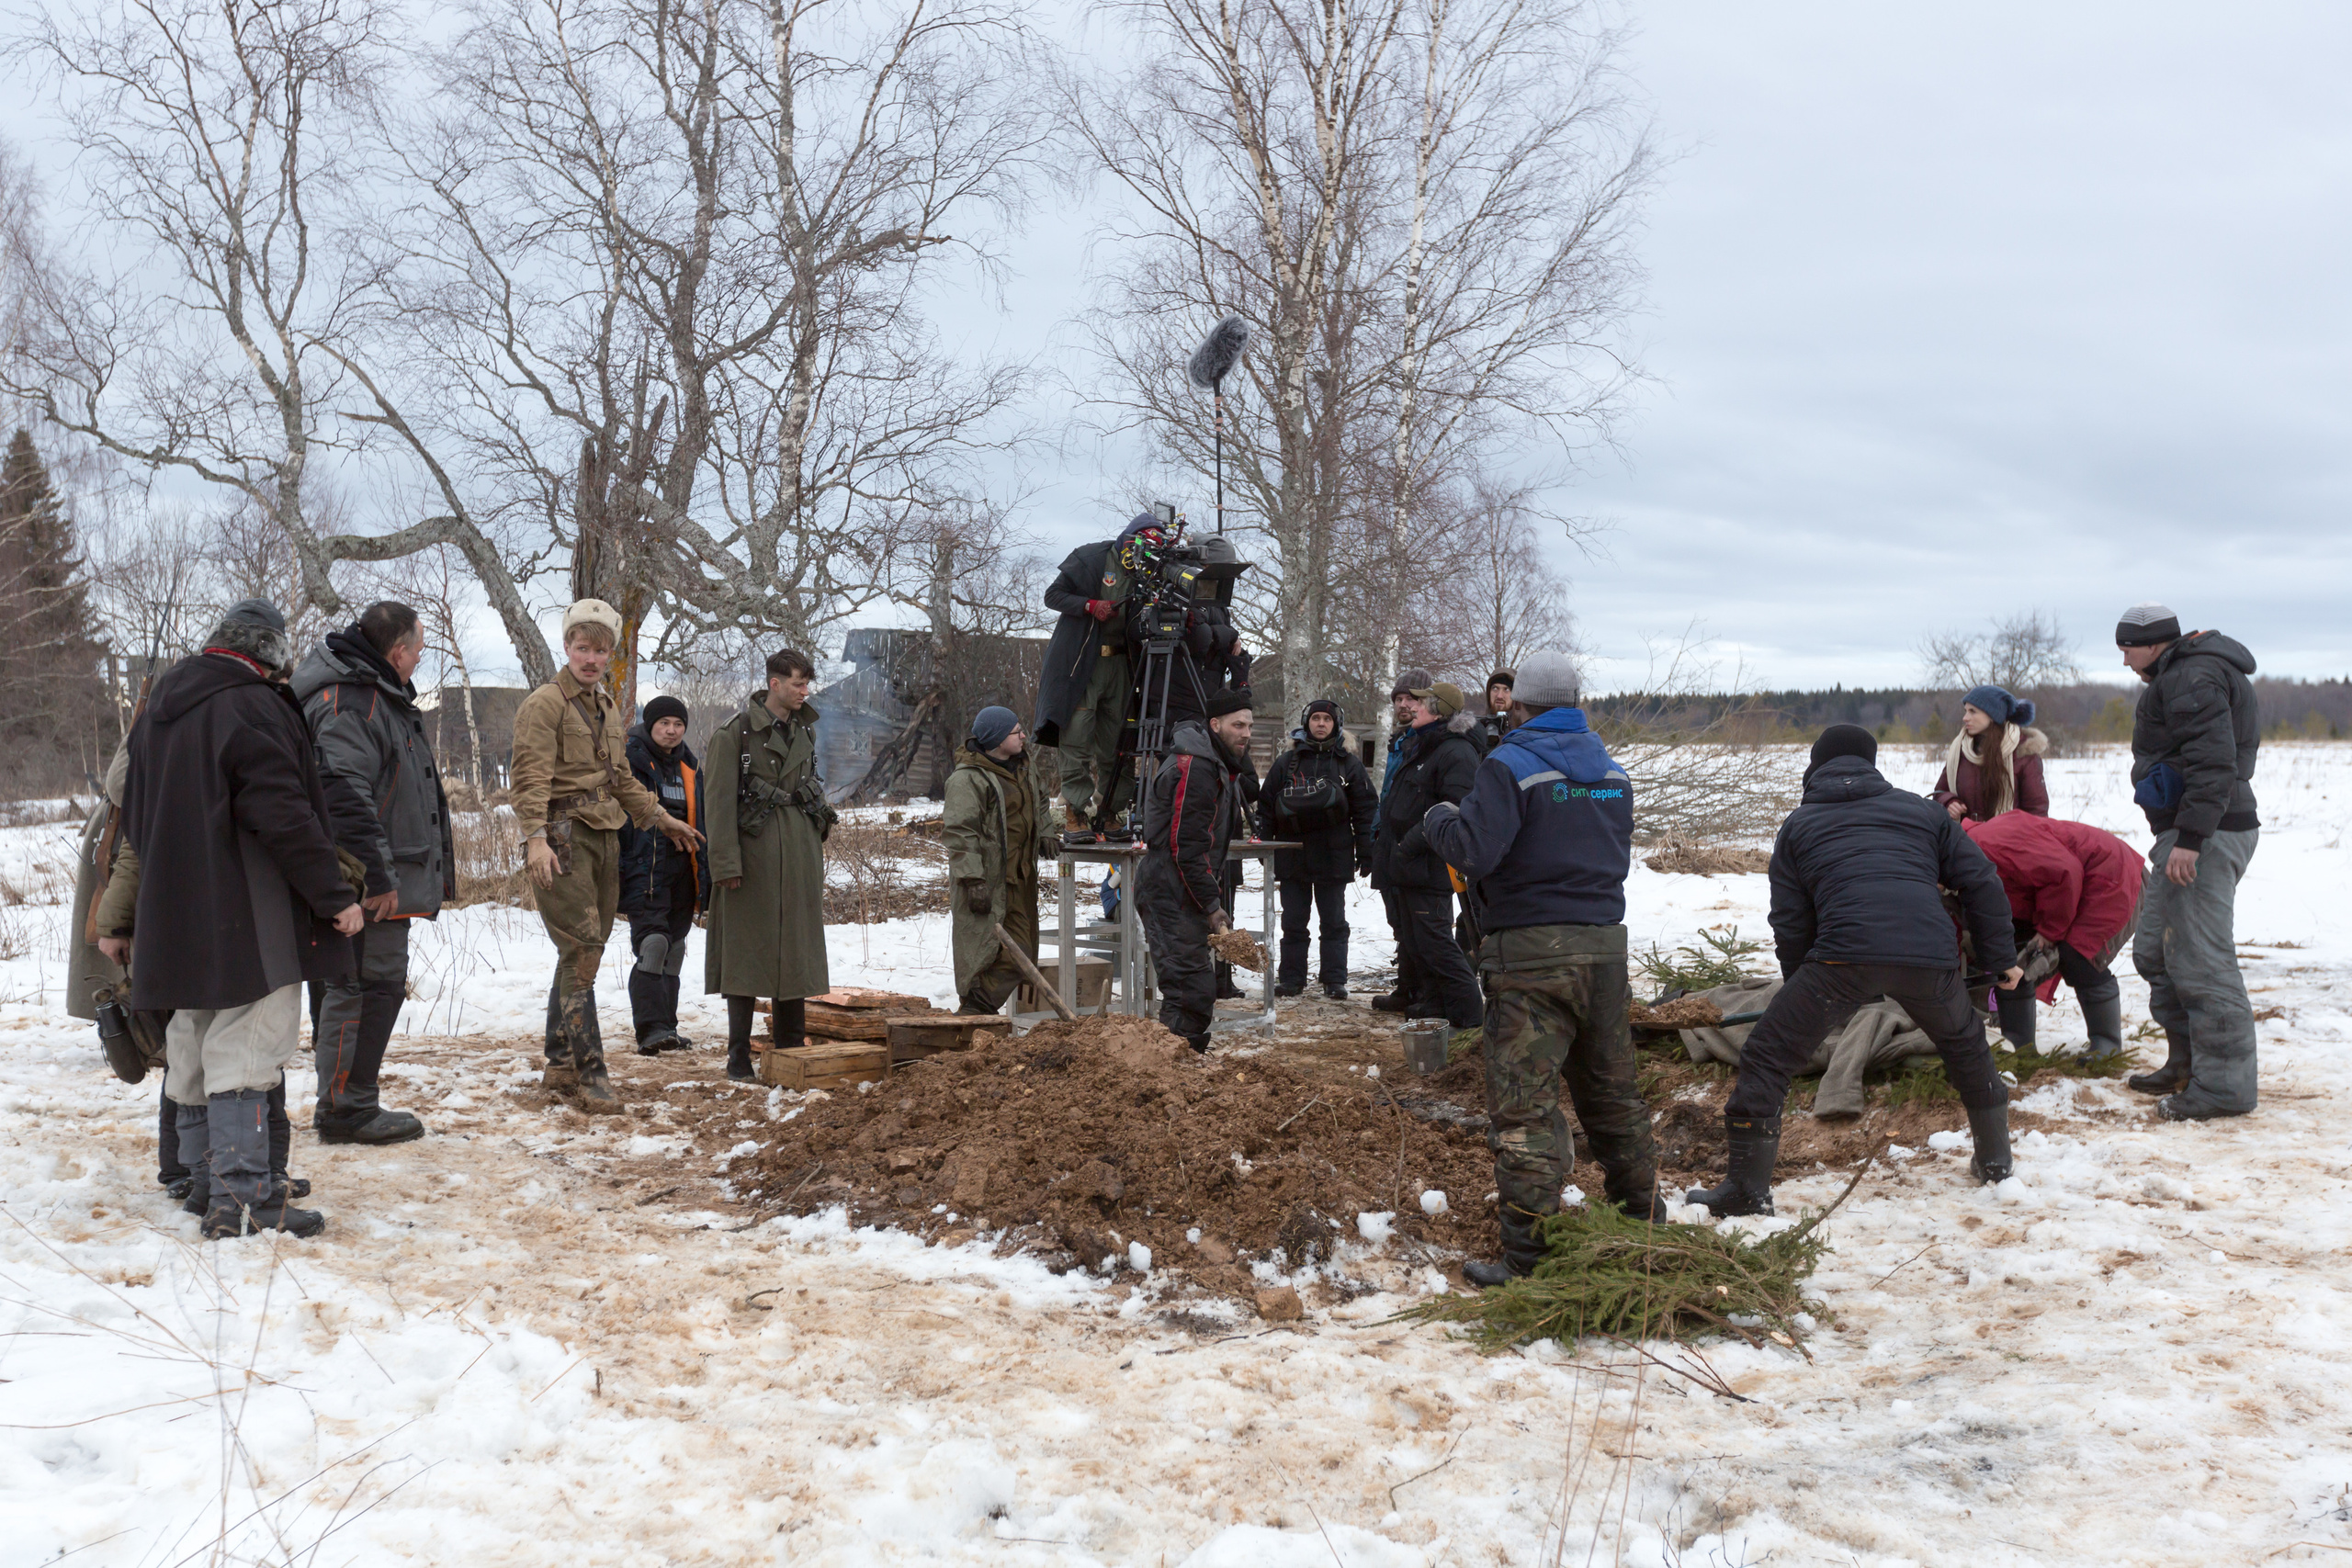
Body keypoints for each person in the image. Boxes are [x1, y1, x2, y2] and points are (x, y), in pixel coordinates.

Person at [1685, 725, 2021, 1219]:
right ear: (1872, 762)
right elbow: (1981, 881)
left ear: (1815, 766)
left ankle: (1745, 1189)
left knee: (1768, 1055)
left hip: (1842, 960)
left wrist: (1803, 984)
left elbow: (1791, 919)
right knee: (1966, 1045)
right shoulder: (1923, 811)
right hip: (1929, 959)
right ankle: (1995, 1163)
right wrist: (2000, 959)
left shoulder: (1799, 825)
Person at [114, 599, 363, 1238]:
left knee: (194, 1040)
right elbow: (282, 811)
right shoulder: (250, 704)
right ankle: (244, 1197)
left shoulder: (158, 713)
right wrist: (333, 895)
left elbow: (132, 815)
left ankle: (203, 1182)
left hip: (176, 907)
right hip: (248, 907)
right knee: (249, 1043)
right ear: (271, 652)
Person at [1420, 651, 1665, 1282]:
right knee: (1614, 1096)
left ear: (1519, 704)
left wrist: (1440, 820)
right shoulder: (1613, 771)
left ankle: (1528, 1258)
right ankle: (1645, 1231)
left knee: (1526, 1108)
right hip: (1605, 951)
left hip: (1530, 956)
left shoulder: (1510, 764)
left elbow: (1474, 850)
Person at [512, 601, 705, 1111]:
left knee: (583, 947)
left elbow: (620, 779)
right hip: (561, 836)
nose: (591, 659)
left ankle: (557, 1063)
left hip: (605, 837)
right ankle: (590, 1073)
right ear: (567, 648)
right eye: (582, 648)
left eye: (600, 651)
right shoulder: (545, 704)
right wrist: (534, 837)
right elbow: (528, 779)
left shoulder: (605, 706)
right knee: (584, 952)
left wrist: (663, 819)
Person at [292, 601, 452, 1145]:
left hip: (378, 872)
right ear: (397, 651)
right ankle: (344, 1109)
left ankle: (350, 1101)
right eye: (419, 650)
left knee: (371, 985)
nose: (420, 660)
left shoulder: (374, 695)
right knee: (361, 986)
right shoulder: (351, 702)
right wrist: (378, 875)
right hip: (365, 879)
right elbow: (342, 792)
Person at [2114, 603, 2261, 1120]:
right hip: (2187, 831)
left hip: (2207, 834)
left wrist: (2192, 837)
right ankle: (2188, 1064)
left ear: (2154, 643)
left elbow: (2213, 761)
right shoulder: (2179, 676)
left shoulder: (2191, 677)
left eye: (2128, 647)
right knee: (2155, 951)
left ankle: (2223, 1088)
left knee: (2201, 961)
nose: (2125, 660)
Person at [707, 648, 833, 1082]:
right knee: (745, 956)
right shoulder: (735, 734)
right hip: (753, 859)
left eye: (806, 683)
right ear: (774, 683)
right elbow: (718, 806)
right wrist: (725, 865)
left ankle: (792, 1049)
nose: (805, 691)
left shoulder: (805, 731)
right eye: (797, 682)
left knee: (795, 954)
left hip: (797, 855)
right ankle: (738, 1057)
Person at [1962, 812, 2143, 1063]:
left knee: (2078, 955)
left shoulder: (1989, 844)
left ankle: (2107, 1044)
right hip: (2067, 886)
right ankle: (2020, 1047)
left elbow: (2064, 871)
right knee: (2013, 961)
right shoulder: (1968, 857)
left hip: (2108, 874)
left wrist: (2048, 932)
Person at [1136, 694, 1254, 1052]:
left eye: (1250, 725)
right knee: (1190, 990)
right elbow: (1186, 846)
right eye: (1238, 724)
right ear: (1215, 725)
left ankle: (1177, 1066)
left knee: (1194, 987)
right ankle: (1171, 1070)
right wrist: (1210, 904)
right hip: (1169, 888)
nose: (1246, 733)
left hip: (1182, 886)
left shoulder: (1215, 762)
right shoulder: (1198, 767)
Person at [1372, 681, 1484, 1033]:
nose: (1413, 708)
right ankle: (1435, 1002)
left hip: (1429, 863)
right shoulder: (1425, 745)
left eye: (1420, 703)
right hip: (1407, 863)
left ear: (1438, 710)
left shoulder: (1456, 753)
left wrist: (1412, 843)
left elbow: (1455, 810)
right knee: (1418, 941)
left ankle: (1470, 1017)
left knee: (1437, 942)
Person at [1033, 514, 1148, 840]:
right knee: (1077, 738)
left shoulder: (1149, 571)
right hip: (1085, 664)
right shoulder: (1093, 558)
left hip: (1122, 665)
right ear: (1130, 538)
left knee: (1118, 742)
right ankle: (1075, 812)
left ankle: (1111, 812)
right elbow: (1052, 596)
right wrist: (1089, 606)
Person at [1256, 700, 1375, 998]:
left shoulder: (1349, 764)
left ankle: (1334, 981)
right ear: (1306, 722)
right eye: (1316, 718)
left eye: (1327, 719)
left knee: (1334, 922)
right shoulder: (1287, 762)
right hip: (1291, 854)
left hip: (1334, 856)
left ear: (1336, 725)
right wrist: (1263, 844)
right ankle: (1292, 980)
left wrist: (1367, 850)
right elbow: (1266, 806)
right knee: (1294, 922)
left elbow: (1365, 811)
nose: (1321, 724)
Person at [619, 694, 707, 1054]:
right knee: (652, 945)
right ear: (649, 725)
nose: (671, 731)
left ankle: (667, 1027)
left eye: (678, 724)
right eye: (664, 724)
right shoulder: (631, 760)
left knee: (674, 948)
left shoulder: (690, 766)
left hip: (683, 870)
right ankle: (650, 1029)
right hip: (644, 867)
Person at [943, 706, 1040, 1015]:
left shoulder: (1022, 768)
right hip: (986, 881)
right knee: (981, 952)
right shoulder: (968, 779)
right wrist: (972, 880)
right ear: (997, 739)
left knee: (1023, 953)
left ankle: (978, 1009)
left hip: (1019, 880)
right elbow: (960, 832)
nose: (1023, 735)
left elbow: (1041, 800)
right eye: (1015, 732)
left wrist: (1046, 831)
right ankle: (974, 1014)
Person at [1370, 670, 1433, 1014]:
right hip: (1389, 841)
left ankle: (1425, 991)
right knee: (1399, 920)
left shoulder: (1428, 740)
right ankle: (1407, 987)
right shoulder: (1398, 741)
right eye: (1399, 699)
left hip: (1416, 843)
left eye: (1411, 698)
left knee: (1420, 922)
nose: (1404, 704)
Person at [1930, 684, 2049, 822]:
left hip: (2006, 840)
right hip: (1962, 839)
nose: (1965, 718)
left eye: (1973, 711)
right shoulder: (1960, 750)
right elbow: (1940, 792)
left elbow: (2037, 813)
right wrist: (1949, 802)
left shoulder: (2023, 754)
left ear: (1993, 716)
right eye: (1966, 711)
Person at [1474, 669, 1515, 752]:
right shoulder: (1477, 728)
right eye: (1495, 689)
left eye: (1506, 689)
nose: (1499, 696)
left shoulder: (1521, 732)